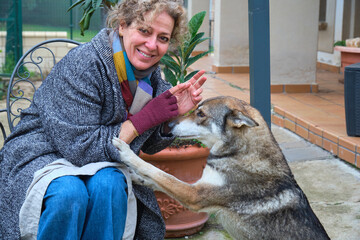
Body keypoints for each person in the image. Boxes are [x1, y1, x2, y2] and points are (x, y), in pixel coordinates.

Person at [0, 0, 207, 239]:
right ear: (122, 26)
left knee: (109, 184)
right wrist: (147, 118)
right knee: (68, 193)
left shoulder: (149, 78)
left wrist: (171, 118)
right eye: (144, 31)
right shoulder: (85, 64)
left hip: (98, 160)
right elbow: (83, 149)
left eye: (163, 38)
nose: (152, 45)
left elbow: (148, 145)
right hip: (42, 153)